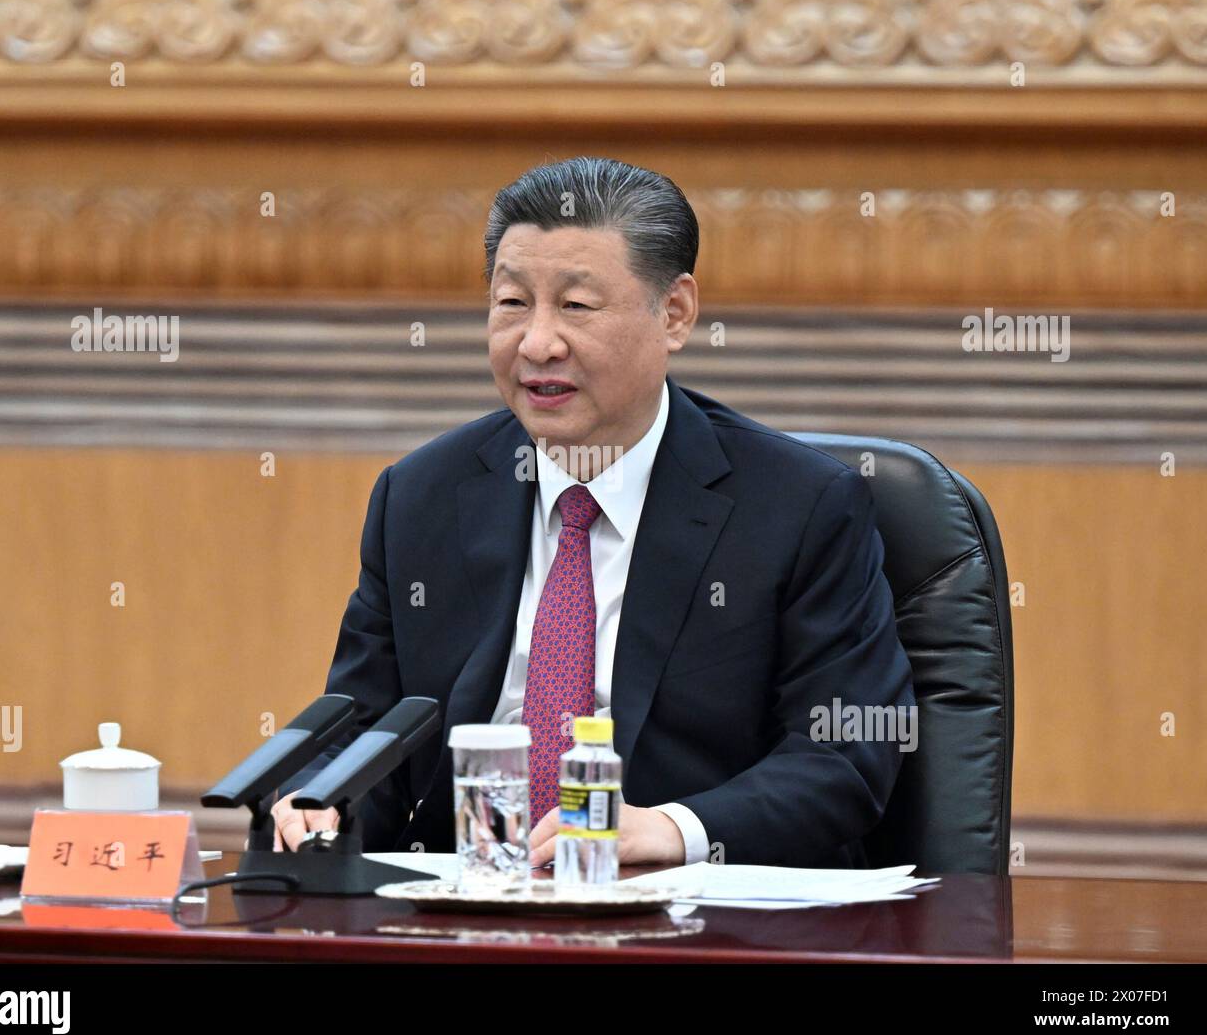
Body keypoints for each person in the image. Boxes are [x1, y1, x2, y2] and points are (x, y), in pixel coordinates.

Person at [272, 156, 915, 868]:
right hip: (470, 907)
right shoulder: (420, 495)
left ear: (673, 313)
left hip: (697, 920)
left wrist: (670, 831)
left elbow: (846, 756)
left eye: (576, 306)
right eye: (512, 303)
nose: (537, 342)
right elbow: (366, 729)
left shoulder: (799, 506)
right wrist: (319, 797)